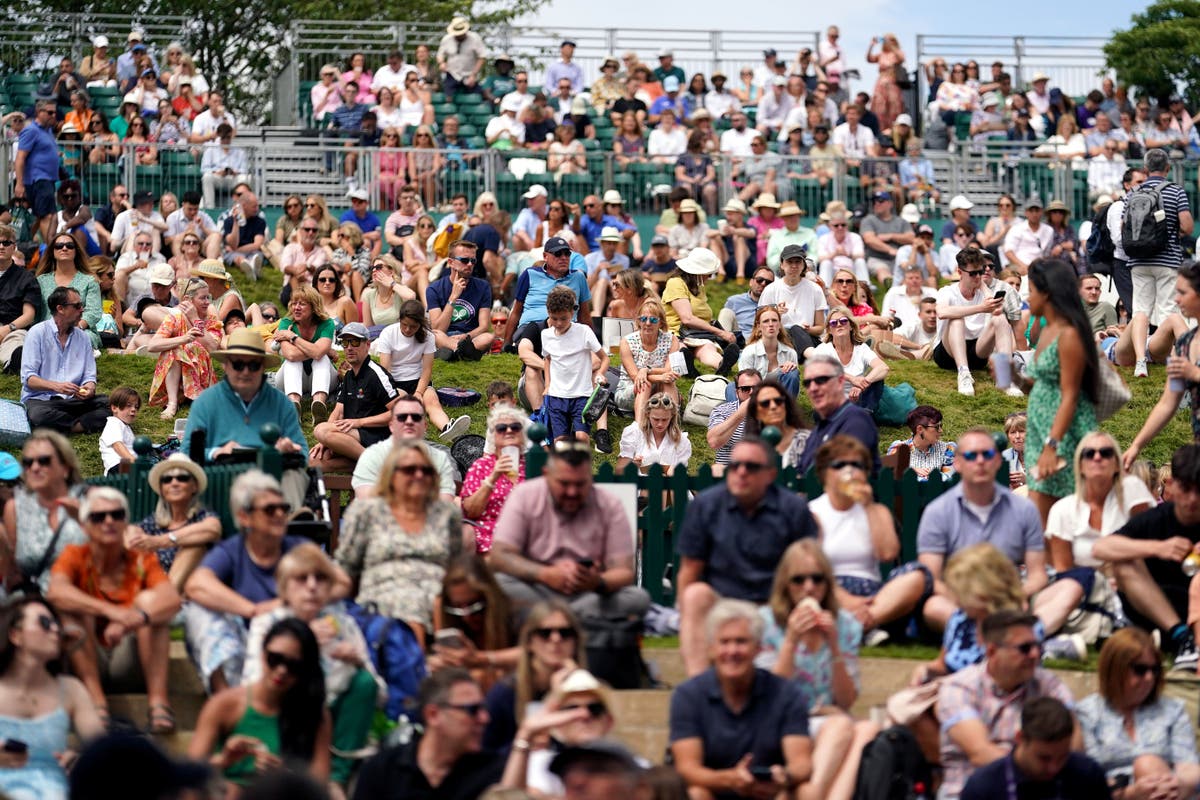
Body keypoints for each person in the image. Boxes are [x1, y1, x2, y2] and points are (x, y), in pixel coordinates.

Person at [243, 544, 382, 792]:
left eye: (320, 578)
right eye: (301, 578)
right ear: (284, 588)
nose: (311, 586)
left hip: (336, 726)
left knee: (363, 682)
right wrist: (302, 647)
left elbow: (380, 694)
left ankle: (337, 779)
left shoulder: (344, 625)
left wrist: (358, 661)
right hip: (288, 718)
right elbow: (253, 684)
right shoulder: (267, 625)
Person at [676, 437, 818, 676]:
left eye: (751, 467)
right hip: (722, 603)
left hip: (775, 604)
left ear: (770, 475)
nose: (741, 472)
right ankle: (698, 686)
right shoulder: (706, 505)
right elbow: (689, 570)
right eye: (735, 465)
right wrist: (684, 621)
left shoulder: (793, 509)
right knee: (694, 595)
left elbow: (809, 571)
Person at [47, 487, 181, 733]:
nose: (108, 521)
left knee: (151, 604)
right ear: (85, 526)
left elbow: (171, 599)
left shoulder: (141, 558)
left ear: (125, 522)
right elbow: (56, 592)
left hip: (131, 657)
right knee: (73, 607)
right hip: (88, 655)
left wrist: (133, 619)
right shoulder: (75, 555)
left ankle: (158, 703)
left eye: (116, 515)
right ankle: (96, 701)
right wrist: (112, 612)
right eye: (99, 517)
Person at [756, 540, 878, 800]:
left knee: (868, 730)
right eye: (798, 580)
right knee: (842, 725)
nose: (809, 588)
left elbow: (846, 700)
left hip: (829, 718)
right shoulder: (767, 622)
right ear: (785, 584)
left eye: (817, 579)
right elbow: (768, 696)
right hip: (784, 719)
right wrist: (790, 641)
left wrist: (834, 645)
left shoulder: (844, 624)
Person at [183, 470, 325, 694]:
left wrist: (291, 603)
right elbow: (196, 585)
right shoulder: (233, 550)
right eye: (269, 510)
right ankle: (225, 700)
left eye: (284, 508)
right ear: (244, 517)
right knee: (199, 611)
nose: (279, 514)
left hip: (293, 638)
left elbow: (340, 583)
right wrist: (253, 610)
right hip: (244, 642)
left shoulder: (299, 548)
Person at [669, 599, 813, 800]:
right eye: (724, 642)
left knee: (806, 792)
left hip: (768, 793)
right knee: (695, 793)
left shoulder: (786, 693)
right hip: (714, 791)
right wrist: (730, 779)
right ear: (711, 649)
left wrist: (784, 777)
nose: (732, 651)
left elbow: (802, 763)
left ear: (758, 648)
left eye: (741, 641)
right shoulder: (688, 695)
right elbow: (687, 768)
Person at [938, 610, 1078, 799]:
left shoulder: (1048, 685)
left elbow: (1074, 743)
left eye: (1038, 646)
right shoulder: (960, 688)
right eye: (1025, 648)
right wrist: (1035, 763)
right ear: (992, 651)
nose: (1035, 654)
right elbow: (981, 754)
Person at [917, 428, 1047, 630]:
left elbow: (1038, 574)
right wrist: (969, 604)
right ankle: (994, 633)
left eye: (987, 454)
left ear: (997, 461)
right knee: (934, 607)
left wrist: (1014, 597)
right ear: (957, 464)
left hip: (1009, 594)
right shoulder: (938, 511)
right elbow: (931, 578)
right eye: (970, 455)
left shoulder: (1024, 509)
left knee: (1053, 595)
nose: (979, 461)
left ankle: (977, 635)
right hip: (958, 598)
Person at [189, 618, 332, 792]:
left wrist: (283, 777)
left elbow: (318, 787)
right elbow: (189, 776)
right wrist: (224, 760)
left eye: (293, 666)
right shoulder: (224, 704)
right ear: (263, 653)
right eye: (275, 659)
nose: (282, 670)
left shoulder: (314, 713)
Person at [1092, 444, 1200, 670]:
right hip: (1153, 606)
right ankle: (1182, 639)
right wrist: (1157, 548)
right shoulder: (1157, 518)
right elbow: (1101, 548)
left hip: (1193, 605)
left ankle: (1187, 642)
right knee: (1124, 561)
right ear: (1172, 485)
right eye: (1186, 488)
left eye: (1199, 491)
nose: (1192, 499)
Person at [1011, 258, 1099, 525]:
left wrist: (1052, 446)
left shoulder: (1069, 334)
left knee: (1063, 519)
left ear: (1047, 293)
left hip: (1062, 436)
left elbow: (1070, 395)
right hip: (1040, 432)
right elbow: (1039, 388)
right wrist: (1011, 375)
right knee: (1044, 519)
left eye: (1031, 290)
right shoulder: (1047, 330)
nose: (1028, 296)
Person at [0, 595, 106, 800]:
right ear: (15, 635)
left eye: (57, 624)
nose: (56, 630)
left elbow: (103, 750)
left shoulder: (71, 689)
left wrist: (81, 759)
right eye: (45, 623)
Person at [1076, 628, 1199, 796]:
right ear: (1115, 670)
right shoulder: (1086, 714)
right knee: (1146, 764)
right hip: (1116, 794)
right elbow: (1086, 778)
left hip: (1171, 790)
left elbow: (1189, 767)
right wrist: (1131, 794)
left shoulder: (1172, 710)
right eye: (1140, 670)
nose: (1149, 678)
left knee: (1148, 764)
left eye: (1154, 670)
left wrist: (1170, 786)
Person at [1127, 149, 1194, 378]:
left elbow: (1124, 228)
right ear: (1168, 168)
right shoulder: (1176, 191)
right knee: (1168, 309)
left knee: (1140, 310)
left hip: (1137, 259)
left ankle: (1139, 362)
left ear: (1145, 169)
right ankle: (1170, 358)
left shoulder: (1133, 191)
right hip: (1167, 260)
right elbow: (1187, 226)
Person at [961, 697, 1109, 800]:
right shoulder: (984, 786)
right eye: (1044, 758)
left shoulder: (1088, 774)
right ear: (1020, 738)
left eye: (1063, 757)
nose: (1054, 768)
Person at [1126, 263, 1200, 463]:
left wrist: (1194, 374)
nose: (1176, 299)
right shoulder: (1184, 343)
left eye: (1183, 293)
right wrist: (1136, 446)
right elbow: (1168, 403)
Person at [2, 431, 87, 596]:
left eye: (44, 461)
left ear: (65, 468)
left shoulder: (90, 500)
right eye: (28, 463)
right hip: (37, 602)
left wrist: (82, 520)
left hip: (85, 596)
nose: (34, 467)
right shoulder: (15, 508)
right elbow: (12, 572)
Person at [309, 322, 399, 472]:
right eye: (345, 342)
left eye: (355, 342)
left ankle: (377, 464)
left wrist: (359, 422)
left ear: (367, 345)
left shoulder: (376, 374)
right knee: (314, 461)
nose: (349, 347)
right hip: (355, 436)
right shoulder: (349, 375)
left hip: (379, 436)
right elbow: (338, 412)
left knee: (320, 429)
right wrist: (324, 442)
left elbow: (399, 414)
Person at [934, 248, 1022, 398]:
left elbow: (996, 312)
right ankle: (963, 375)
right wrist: (980, 308)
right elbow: (942, 313)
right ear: (960, 272)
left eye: (980, 272)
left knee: (1000, 319)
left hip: (977, 351)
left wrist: (983, 287)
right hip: (947, 354)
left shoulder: (983, 291)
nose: (977, 276)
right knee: (956, 319)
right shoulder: (947, 291)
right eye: (973, 273)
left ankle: (1005, 378)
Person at [21, 287, 108, 435]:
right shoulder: (37, 333)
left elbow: (89, 376)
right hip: (42, 400)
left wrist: (89, 388)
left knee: (112, 404)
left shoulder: (83, 337)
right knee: (38, 415)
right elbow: (29, 379)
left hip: (73, 400)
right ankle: (81, 425)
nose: (82, 310)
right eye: (77, 306)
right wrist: (57, 387)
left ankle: (64, 425)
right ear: (60, 309)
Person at [131, 453, 221, 592]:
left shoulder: (202, 517)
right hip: (150, 588)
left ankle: (165, 599)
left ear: (194, 486)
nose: (174, 483)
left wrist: (160, 541)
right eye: (167, 479)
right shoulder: (153, 522)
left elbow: (213, 529)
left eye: (182, 478)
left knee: (194, 546)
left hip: (188, 593)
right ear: (161, 489)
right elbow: (130, 538)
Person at [350, 396, 462, 502]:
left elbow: (451, 496)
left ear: (425, 426)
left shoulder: (441, 455)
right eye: (402, 417)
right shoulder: (374, 457)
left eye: (416, 417)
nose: (409, 421)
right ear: (391, 425)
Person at [145, 276, 222, 420]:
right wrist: (184, 339)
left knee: (188, 348)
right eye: (203, 298)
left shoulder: (210, 319)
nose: (207, 302)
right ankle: (172, 403)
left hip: (201, 373)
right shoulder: (175, 316)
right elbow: (152, 345)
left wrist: (195, 319)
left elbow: (213, 347)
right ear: (188, 299)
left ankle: (186, 395)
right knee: (173, 350)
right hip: (177, 368)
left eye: (208, 297)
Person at [536, 285, 606, 444]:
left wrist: (600, 373)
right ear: (548, 312)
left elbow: (604, 358)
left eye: (564, 318)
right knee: (560, 442)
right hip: (557, 396)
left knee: (581, 438)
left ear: (572, 313)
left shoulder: (584, 331)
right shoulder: (545, 335)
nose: (559, 323)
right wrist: (547, 385)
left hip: (582, 394)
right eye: (554, 318)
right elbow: (547, 359)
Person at [795, 355, 880, 476]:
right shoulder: (818, 430)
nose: (813, 388)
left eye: (821, 380)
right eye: (807, 383)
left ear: (840, 381)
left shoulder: (856, 421)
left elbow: (848, 476)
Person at [461, 406, 530, 553]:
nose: (509, 430)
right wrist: (493, 477)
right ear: (493, 436)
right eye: (501, 428)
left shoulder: (533, 466)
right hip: (489, 537)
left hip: (526, 538)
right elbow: (470, 512)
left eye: (515, 427)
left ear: (523, 435)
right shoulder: (481, 466)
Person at [662, 249, 739, 376]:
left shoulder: (699, 286)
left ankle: (722, 365)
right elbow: (687, 318)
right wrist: (721, 332)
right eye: (709, 274)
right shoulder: (675, 283)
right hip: (676, 333)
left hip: (699, 334)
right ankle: (687, 367)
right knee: (680, 349)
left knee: (707, 348)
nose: (709, 278)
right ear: (698, 272)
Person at [270, 286, 335, 425]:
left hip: (320, 377)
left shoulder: (327, 323)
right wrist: (319, 349)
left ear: (313, 307)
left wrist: (292, 337)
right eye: (294, 303)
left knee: (322, 359)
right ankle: (294, 404)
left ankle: (319, 405)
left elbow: (318, 354)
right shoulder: (286, 323)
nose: (296, 307)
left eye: (302, 304)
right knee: (293, 361)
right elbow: (291, 355)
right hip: (289, 377)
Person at [427, 240, 496, 361]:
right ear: (451, 262)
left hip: (470, 338)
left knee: (488, 337)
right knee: (435, 336)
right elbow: (438, 328)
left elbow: (484, 326)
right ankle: (466, 353)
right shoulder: (434, 288)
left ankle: (454, 353)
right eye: (464, 260)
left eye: (473, 261)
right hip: (445, 337)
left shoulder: (483, 286)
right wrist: (453, 297)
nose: (469, 264)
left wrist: (466, 336)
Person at [614, 298, 682, 416]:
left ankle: (673, 424)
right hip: (631, 389)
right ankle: (639, 428)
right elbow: (636, 377)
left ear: (661, 322)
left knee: (669, 382)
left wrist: (646, 370)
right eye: (644, 319)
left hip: (659, 388)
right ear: (639, 321)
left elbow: (670, 370)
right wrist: (660, 377)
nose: (648, 323)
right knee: (645, 384)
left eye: (653, 319)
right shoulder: (627, 342)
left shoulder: (672, 340)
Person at [759, 245, 828, 356]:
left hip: (808, 339)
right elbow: (760, 324)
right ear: (782, 265)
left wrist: (808, 329)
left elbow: (820, 328)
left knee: (796, 329)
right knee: (792, 329)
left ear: (803, 265)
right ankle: (813, 356)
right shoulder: (770, 290)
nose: (794, 266)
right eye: (790, 262)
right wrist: (775, 313)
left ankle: (810, 355)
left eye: (798, 262)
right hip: (778, 338)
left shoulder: (815, 289)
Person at [13, 100, 58, 247]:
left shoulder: (48, 131)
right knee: (47, 216)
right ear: (39, 112)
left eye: (54, 112)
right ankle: (51, 252)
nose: (53, 115)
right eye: (50, 112)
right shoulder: (31, 130)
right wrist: (19, 183)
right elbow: (20, 158)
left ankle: (24, 247)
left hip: (48, 180)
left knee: (40, 217)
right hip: (38, 179)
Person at [616, 393, 692, 476]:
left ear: (672, 417)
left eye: (664, 420)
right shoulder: (634, 432)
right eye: (656, 419)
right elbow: (619, 472)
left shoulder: (681, 441)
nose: (660, 424)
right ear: (648, 414)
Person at [0, 223, 41, 374]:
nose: (1, 246)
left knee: (16, 343)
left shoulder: (26, 278)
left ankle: (12, 362)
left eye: (6, 243)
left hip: (13, 328)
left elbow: (29, 315)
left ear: (14, 247)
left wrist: (6, 329)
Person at [887, 405, 956, 481]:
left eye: (941, 426)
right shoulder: (899, 449)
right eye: (936, 427)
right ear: (920, 429)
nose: (940, 430)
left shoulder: (947, 450)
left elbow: (951, 481)